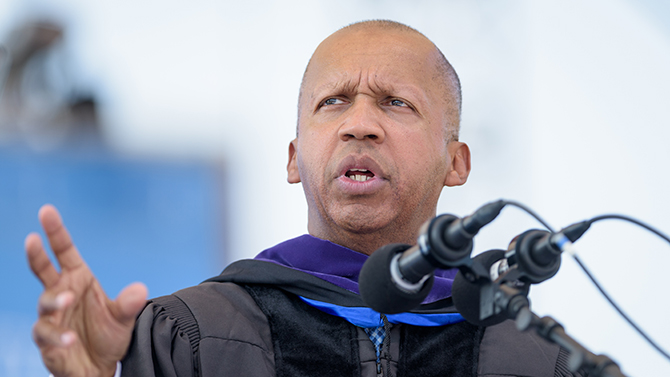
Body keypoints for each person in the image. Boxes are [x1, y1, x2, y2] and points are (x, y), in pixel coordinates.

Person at [26, 20, 584, 377]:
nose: (359, 125)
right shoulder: (190, 332)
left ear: (456, 162)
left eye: (395, 103)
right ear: (294, 159)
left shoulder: (536, 358)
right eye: (334, 102)